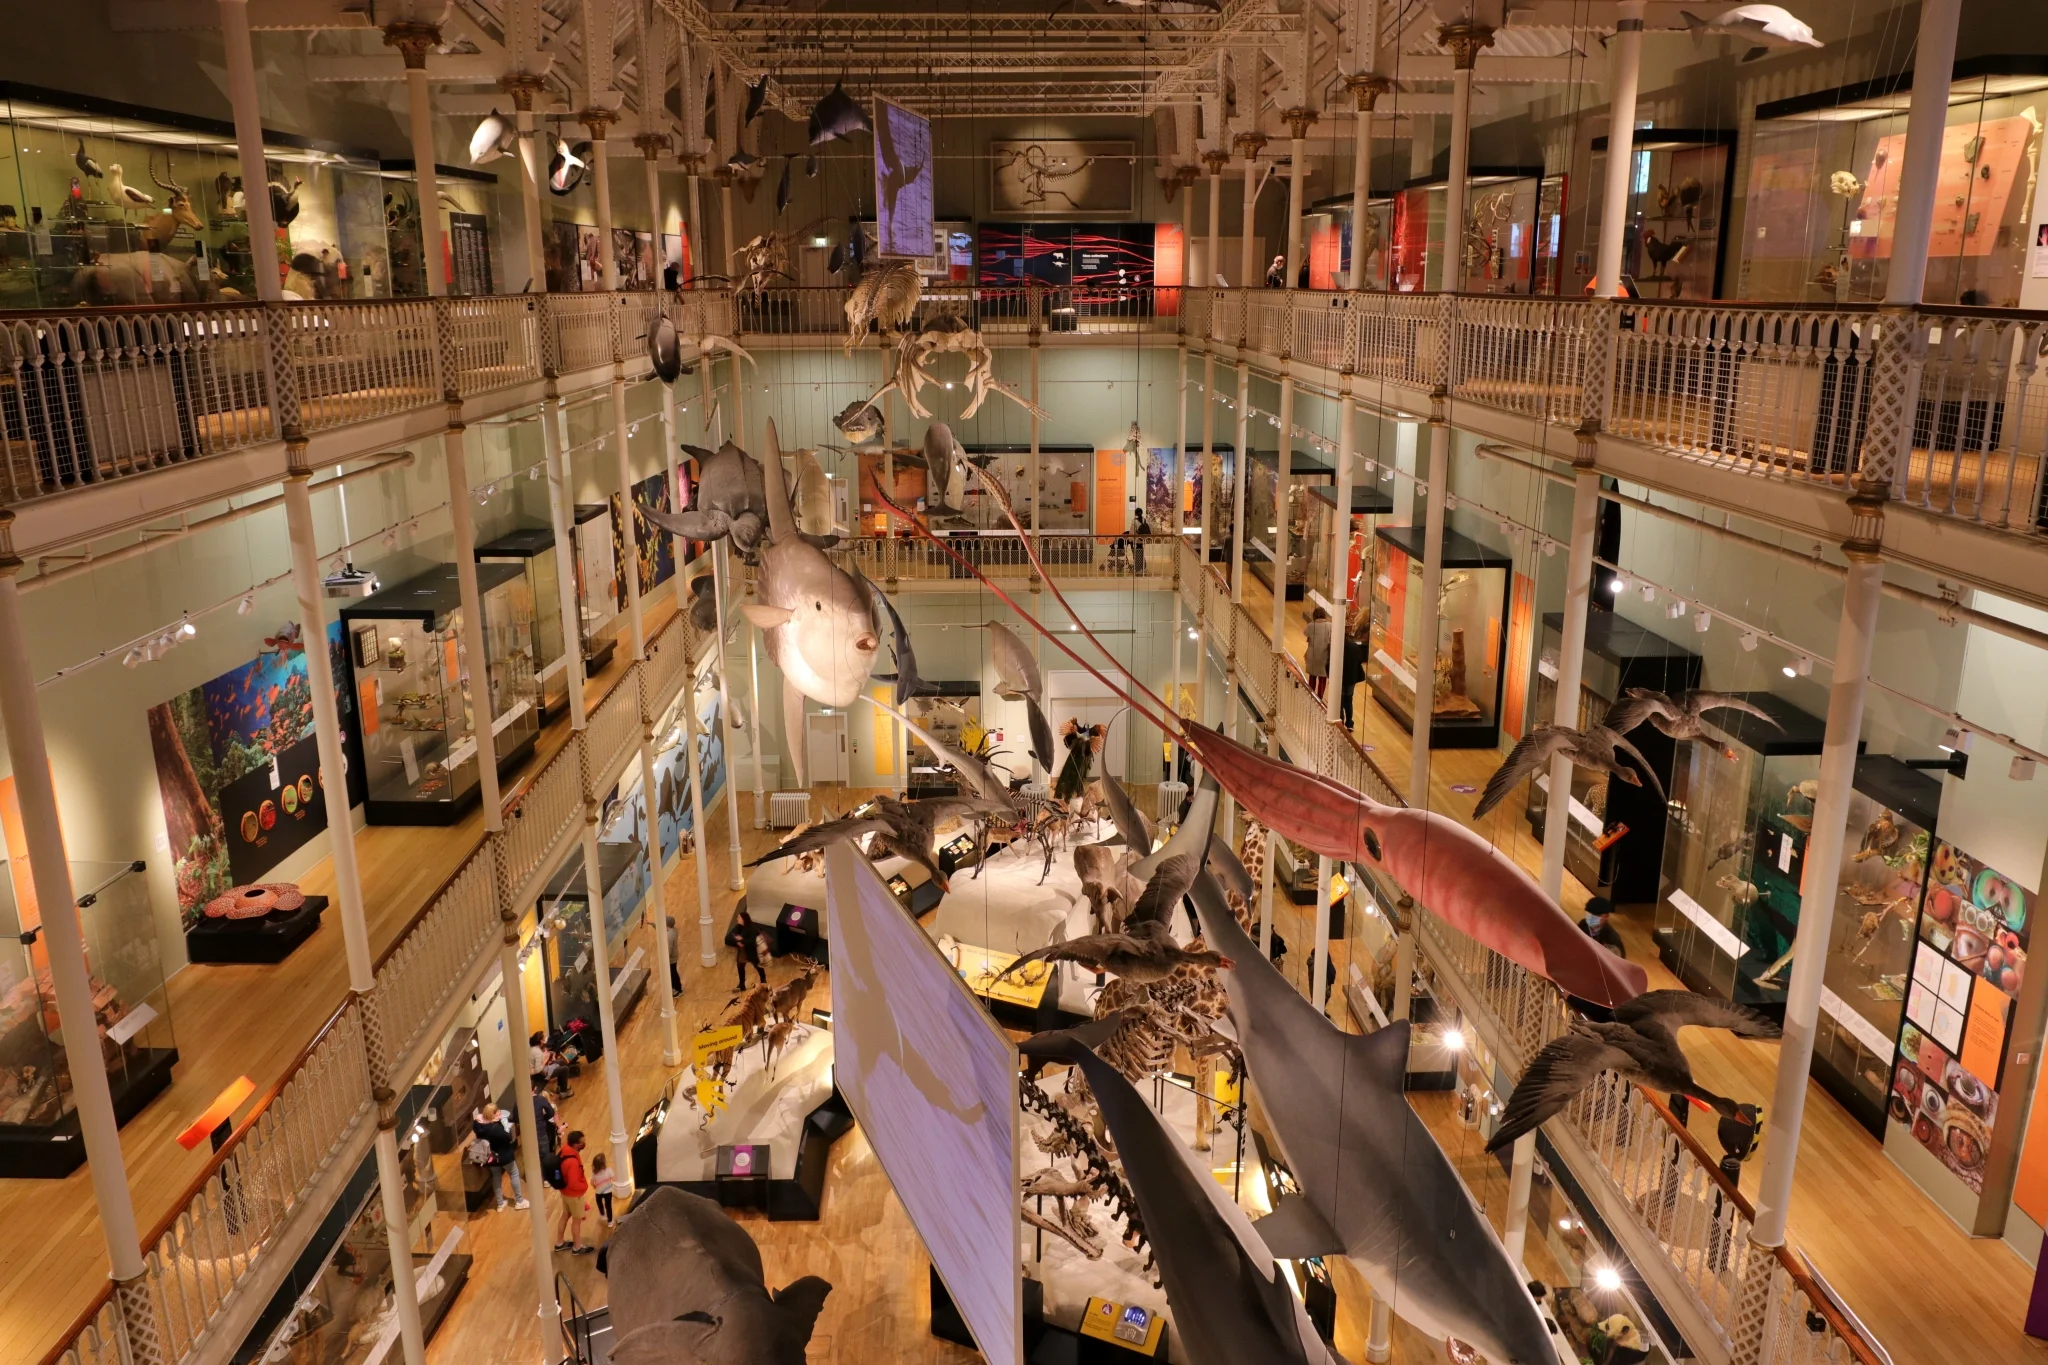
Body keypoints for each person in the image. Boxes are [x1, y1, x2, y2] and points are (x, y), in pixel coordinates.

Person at [472, 1103, 527, 1210]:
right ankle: (519, 1201)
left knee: (496, 1177)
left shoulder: (478, 1125)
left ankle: (500, 1203)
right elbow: (508, 1138)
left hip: (491, 1157)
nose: (500, 1113)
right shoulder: (496, 1129)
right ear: (492, 1114)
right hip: (504, 1156)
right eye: (497, 1112)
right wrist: (505, 1125)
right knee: (514, 1174)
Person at [554, 1130, 593, 1253]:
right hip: (574, 1196)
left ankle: (559, 1243)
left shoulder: (564, 1151)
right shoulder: (572, 1162)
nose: (584, 1144)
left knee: (565, 1216)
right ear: (576, 1144)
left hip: (564, 1192)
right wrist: (584, 1187)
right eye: (582, 1142)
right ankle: (577, 1247)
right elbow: (574, 1183)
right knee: (577, 1222)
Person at [726, 915, 771, 991]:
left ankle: (763, 981)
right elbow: (734, 934)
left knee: (757, 965)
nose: (737, 918)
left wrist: (742, 939)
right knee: (740, 966)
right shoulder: (739, 926)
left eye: (739, 917)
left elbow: (752, 942)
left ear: (744, 919)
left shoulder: (752, 929)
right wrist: (738, 941)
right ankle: (742, 985)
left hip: (752, 951)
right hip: (743, 951)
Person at [1339, 618, 1368, 729]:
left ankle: (1340, 722)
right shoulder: (1355, 647)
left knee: (1339, 701)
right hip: (1351, 678)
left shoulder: (1338, 647)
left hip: (1341, 678)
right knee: (1348, 700)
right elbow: (1359, 660)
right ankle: (1349, 723)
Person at [529, 1032, 573, 1097]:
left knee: (561, 1061)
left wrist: (549, 1058)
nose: (546, 1038)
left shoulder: (535, 1049)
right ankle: (563, 1092)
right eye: (544, 1037)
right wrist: (546, 1060)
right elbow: (538, 1070)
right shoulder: (537, 1052)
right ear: (541, 1041)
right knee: (565, 1069)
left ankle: (560, 1087)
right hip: (541, 1075)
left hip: (542, 1070)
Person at [1304, 607, 1331, 699]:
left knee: (1312, 677)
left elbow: (1307, 637)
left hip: (1313, 655)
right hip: (1324, 656)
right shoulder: (1329, 626)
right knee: (1322, 679)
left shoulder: (1311, 626)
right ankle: (1320, 698)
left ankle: (1311, 697)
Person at [532, 1078, 562, 1157]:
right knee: (550, 1147)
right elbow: (556, 1120)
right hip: (549, 1131)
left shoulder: (535, 1107)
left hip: (539, 1132)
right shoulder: (552, 1107)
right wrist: (559, 1130)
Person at [591, 1152, 617, 1224]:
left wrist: (595, 1186)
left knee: (599, 1203)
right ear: (603, 1163)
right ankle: (610, 1221)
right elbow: (614, 1179)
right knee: (608, 1206)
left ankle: (602, 1214)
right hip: (608, 1192)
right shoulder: (609, 1170)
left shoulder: (594, 1173)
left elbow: (592, 1182)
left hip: (598, 1192)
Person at [665, 914, 682, 997]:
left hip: (671, 959)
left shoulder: (669, 936)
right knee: (673, 972)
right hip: (674, 957)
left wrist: (665, 959)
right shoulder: (674, 930)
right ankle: (678, 988)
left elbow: (669, 949)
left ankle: (677, 990)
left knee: (672, 974)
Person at [1130, 506, 1150, 575]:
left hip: (1136, 541)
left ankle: (1138, 570)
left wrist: (1130, 540)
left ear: (1135, 513)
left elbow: (1132, 532)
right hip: (1142, 541)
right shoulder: (1145, 520)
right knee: (1141, 554)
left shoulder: (1134, 521)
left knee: (1136, 555)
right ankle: (1143, 568)